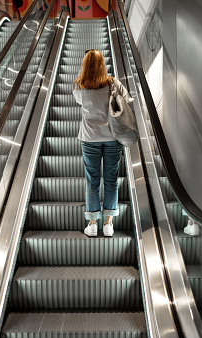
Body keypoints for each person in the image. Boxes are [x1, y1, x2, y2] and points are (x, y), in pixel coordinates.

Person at [73, 49, 133, 237]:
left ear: (85, 64)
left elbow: (81, 103)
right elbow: (127, 100)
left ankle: (92, 224)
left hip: (90, 138)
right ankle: (108, 224)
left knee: (92, 180)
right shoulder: (112, 82)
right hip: (113, 137)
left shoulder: (79, 85)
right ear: (102, 64)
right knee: (111, 179)